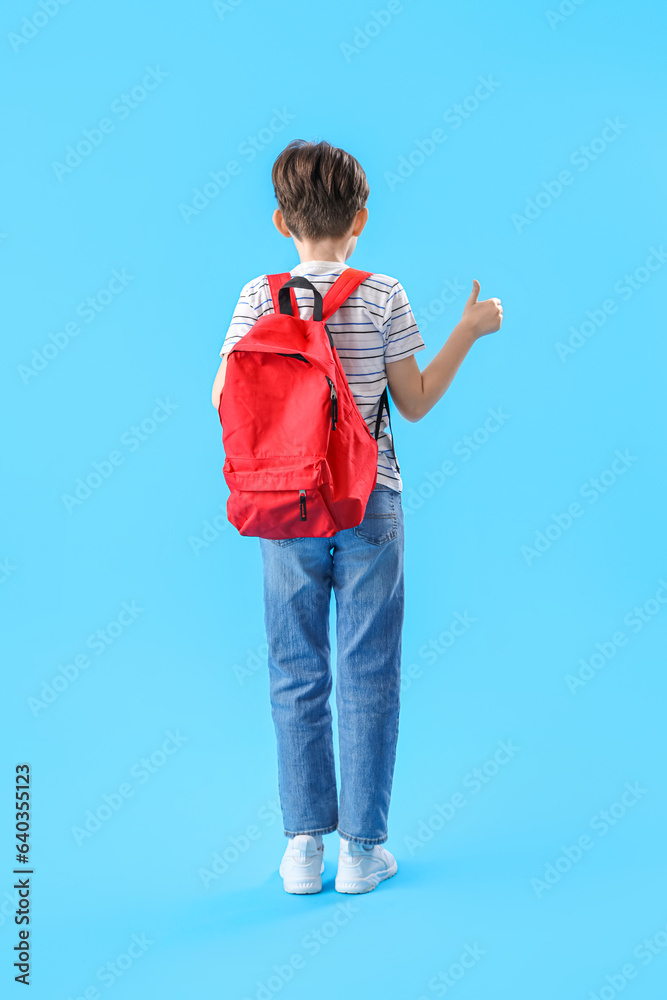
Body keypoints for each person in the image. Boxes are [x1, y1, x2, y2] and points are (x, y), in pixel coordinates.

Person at [211, 139, 503, 894]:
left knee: (293, 670)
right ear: (360, 220)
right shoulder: (383, 294)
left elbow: (222, 398)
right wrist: (467, 331)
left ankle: (302, 848)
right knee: (368, 670)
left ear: (281, 222)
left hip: (283, 507)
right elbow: (413, 402)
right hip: (369, 502)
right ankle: (361, 852)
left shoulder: (257, 295)